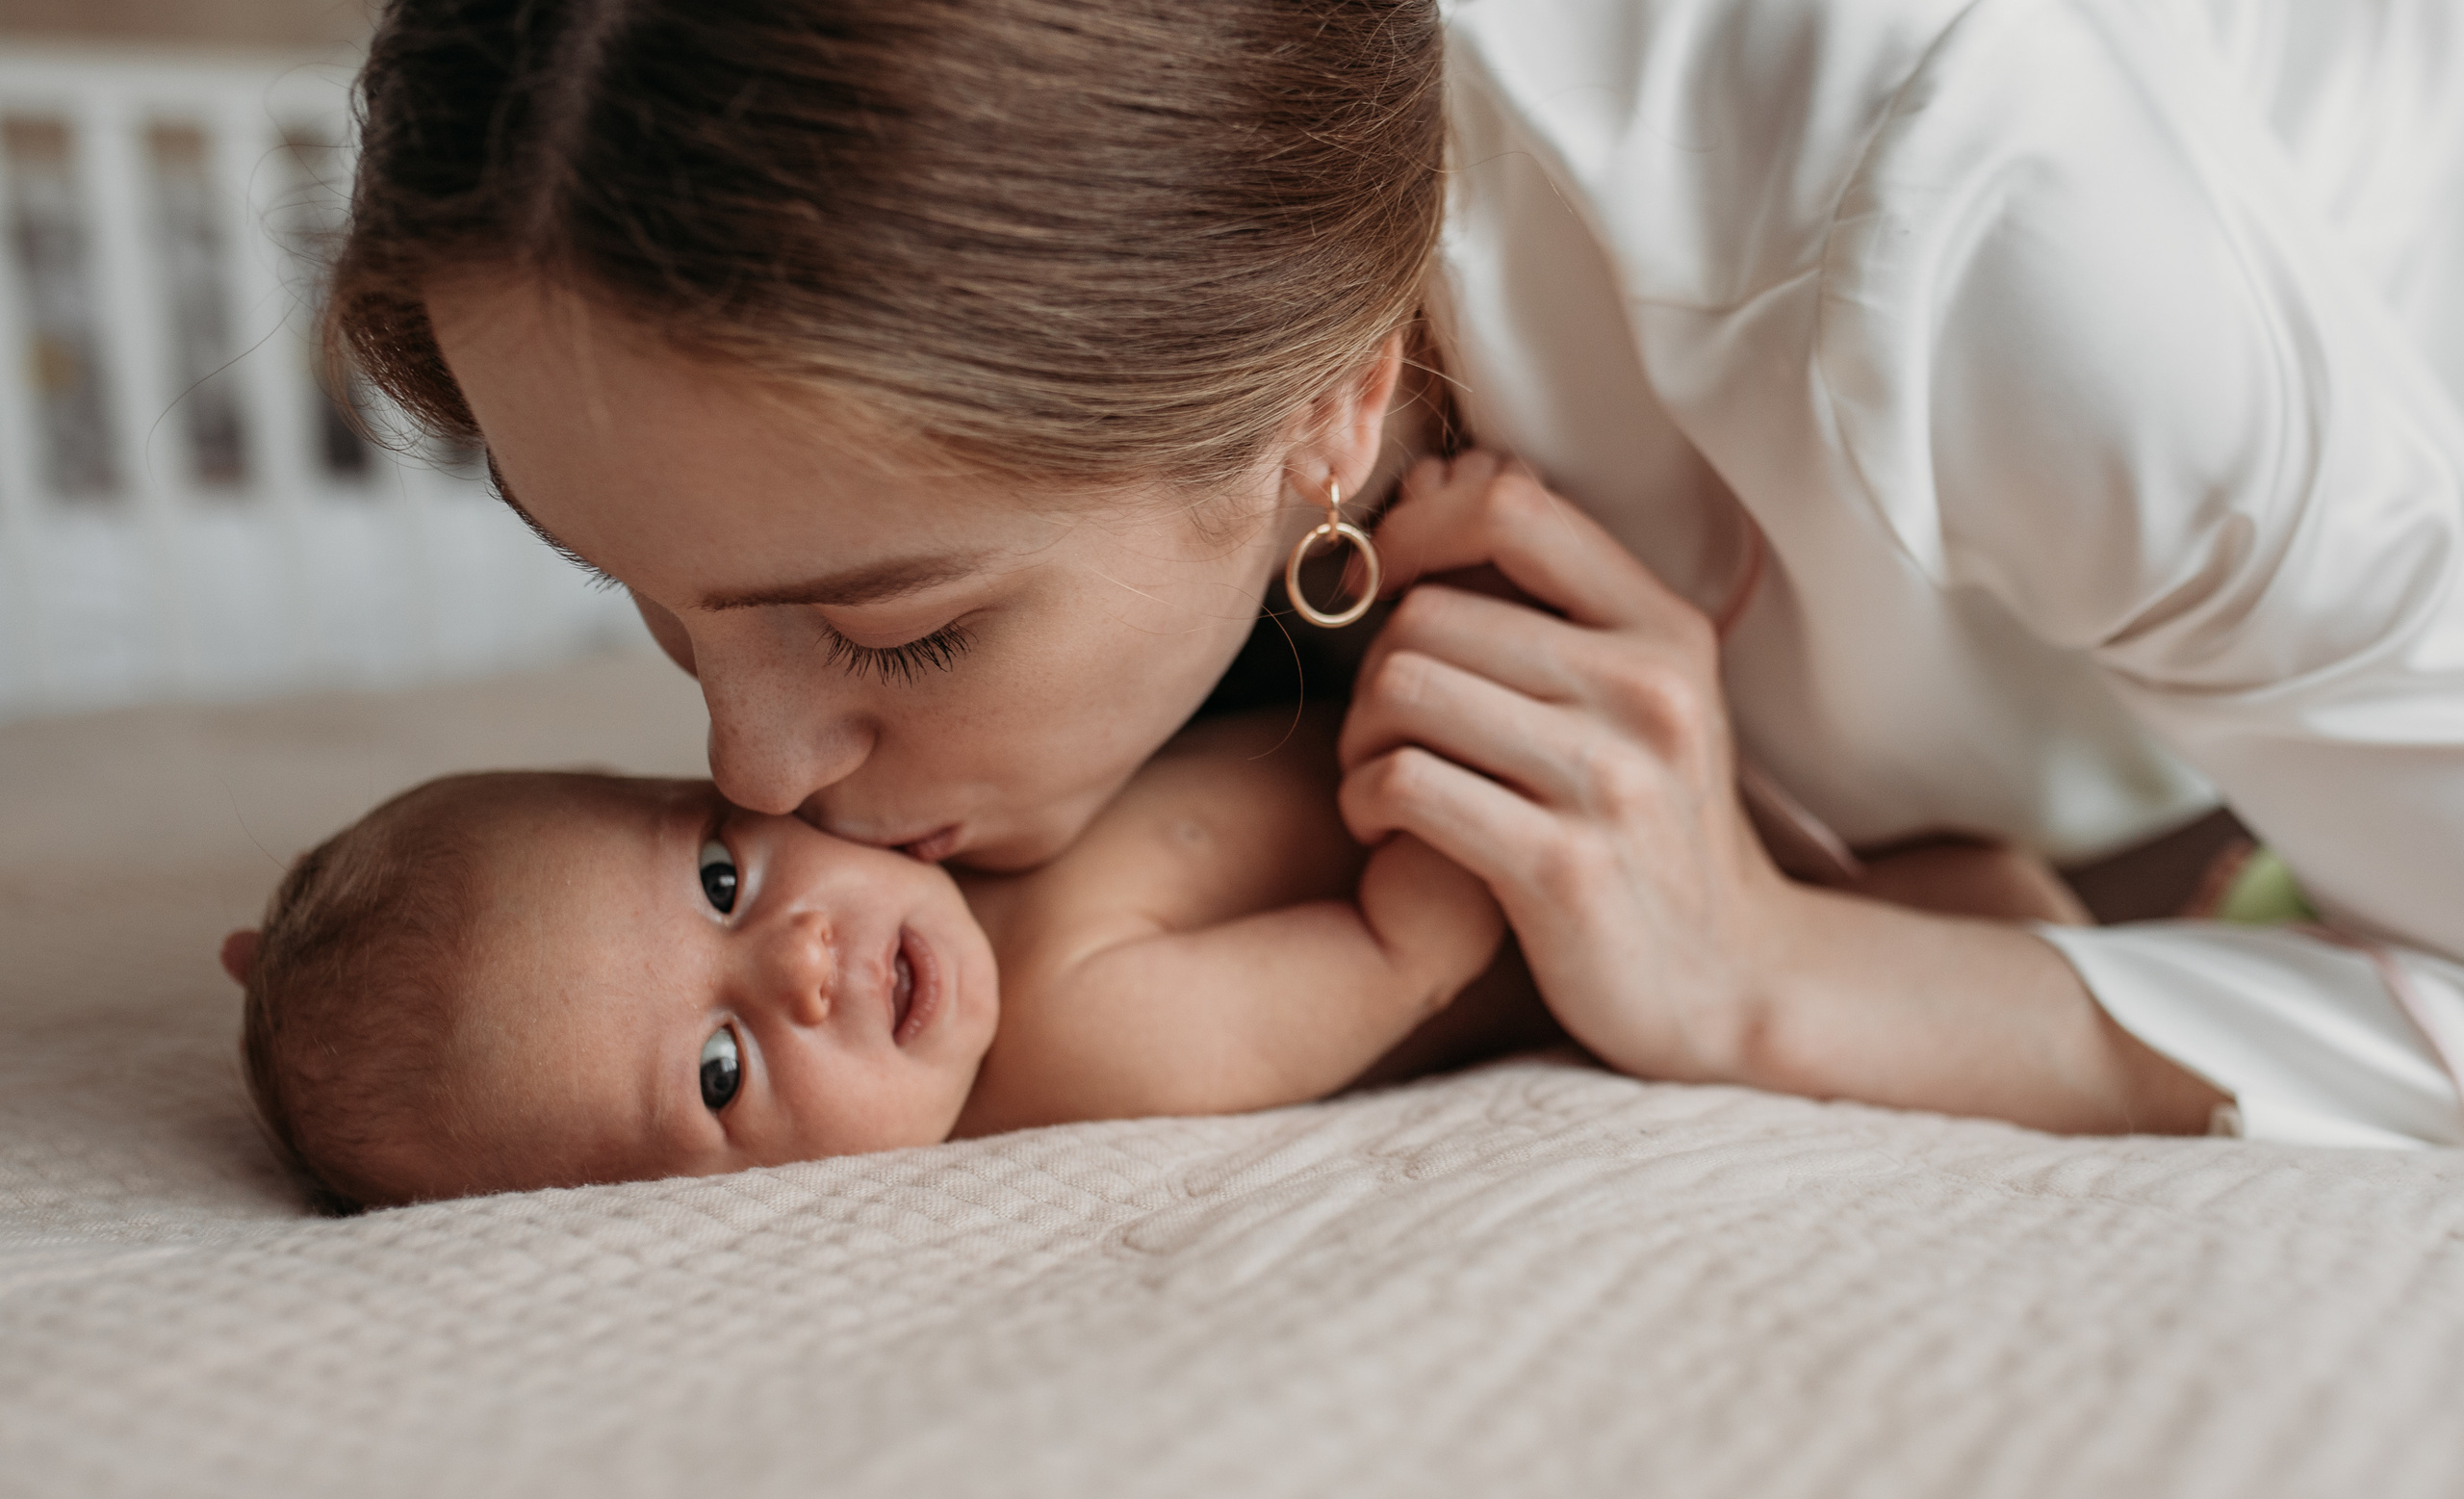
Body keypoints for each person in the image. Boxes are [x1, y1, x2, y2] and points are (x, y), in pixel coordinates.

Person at [324, 0, 2464, 1150]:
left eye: (899, 626)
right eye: (637, 583)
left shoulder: (1977, 226)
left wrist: (1762, 971)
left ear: (1327, 414)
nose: (758, 773)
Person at [220, 705, 2092, 1209]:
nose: (796, 960)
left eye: (717, 876)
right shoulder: (1080, 1039)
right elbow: (1399, 949)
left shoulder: (924, 848)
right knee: (1997, 895)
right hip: (1639, 872)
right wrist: (1433, 699)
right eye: (718, 1075)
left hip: (1680, 761)